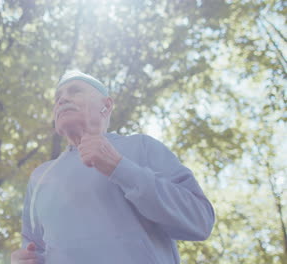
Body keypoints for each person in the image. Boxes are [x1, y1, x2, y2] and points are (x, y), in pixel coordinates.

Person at [11, 71, 215, 264]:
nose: (62, 99)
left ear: (106, 106)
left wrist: (120, 168)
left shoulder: (141, 146)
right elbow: (33, 248)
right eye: (58, 98)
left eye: (75, 91)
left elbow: (199, 220)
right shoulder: (40, 177)